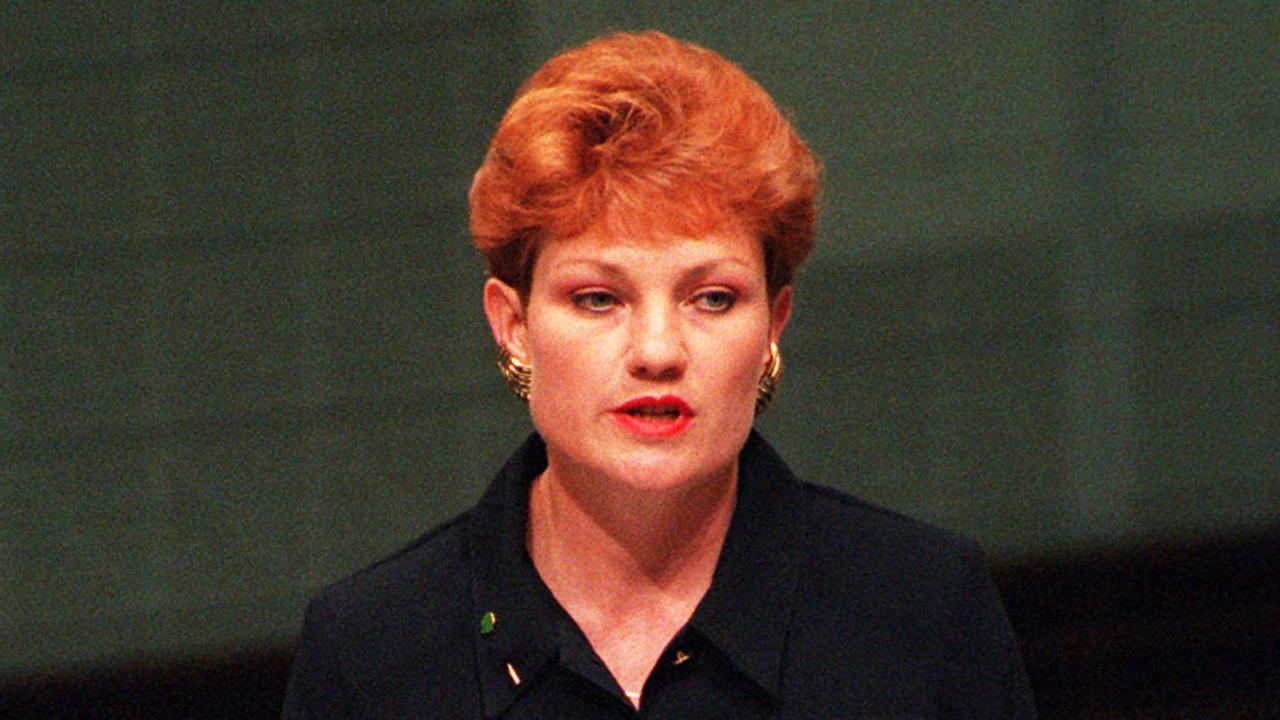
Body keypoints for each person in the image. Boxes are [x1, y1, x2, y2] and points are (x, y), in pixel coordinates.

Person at [283, 30, 1036, 719]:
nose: (657, 350)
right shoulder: (373, 654)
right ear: (513, 326)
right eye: (598, 298)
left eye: (711, 297)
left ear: (774, 323)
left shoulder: (922, 613)